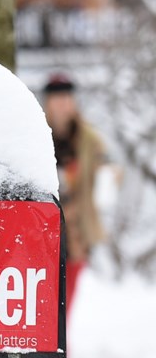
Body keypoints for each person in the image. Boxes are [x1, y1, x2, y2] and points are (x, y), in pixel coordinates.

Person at [42, 74, 106, 315]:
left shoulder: (89, 140)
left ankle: (64, 352)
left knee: (64, 307)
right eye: (57, 99)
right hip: (45, 235)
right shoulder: (37, 134)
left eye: (66, 98)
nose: (62, 104)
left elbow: (105, 172)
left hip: (76, 235)